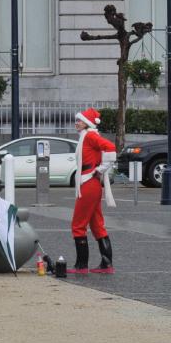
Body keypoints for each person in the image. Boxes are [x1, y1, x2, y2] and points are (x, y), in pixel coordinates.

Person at [71, 107, 117, 274]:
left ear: (88, 123)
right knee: (97, 225)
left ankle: (81, 265)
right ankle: (107, 264)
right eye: (76, 120)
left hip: (88, 181)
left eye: (80, 120)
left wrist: (101, 169)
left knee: (78, 225)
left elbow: (111, 148)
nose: (76, 123)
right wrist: (100, 169)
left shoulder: (89, 136)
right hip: (90, 181)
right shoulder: (88, 136)